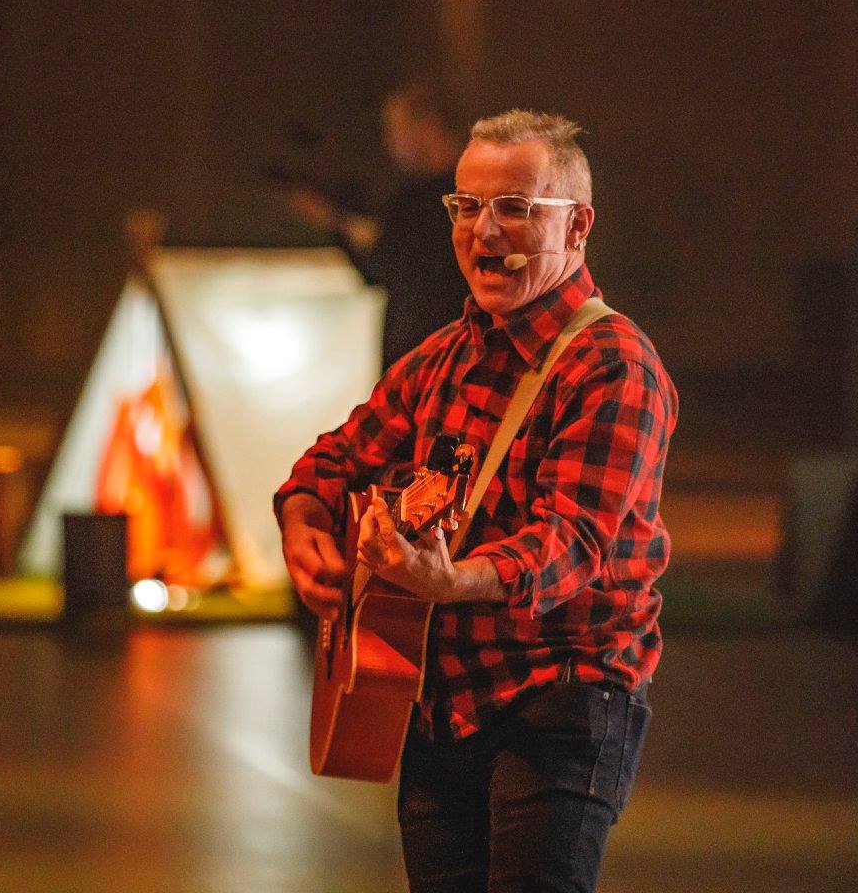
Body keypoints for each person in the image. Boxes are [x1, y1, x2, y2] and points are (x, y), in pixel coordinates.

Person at [275, 110, 676, 892]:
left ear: (579, 226)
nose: (484, 231)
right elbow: (330, 461)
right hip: (440, 701)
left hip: (561, 701)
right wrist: (303, 526)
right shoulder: (443, 357)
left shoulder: (614, 365)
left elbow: (571, 545)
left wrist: (452, 580)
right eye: (466, 207)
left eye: (516, 209)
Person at [288, 80, 471, 367]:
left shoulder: (430, 201)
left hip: (425, 363)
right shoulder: (466, 194)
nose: (390, 142)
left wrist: (339, 224)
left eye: (396, 130)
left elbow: (385, 268)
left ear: (427, 125)